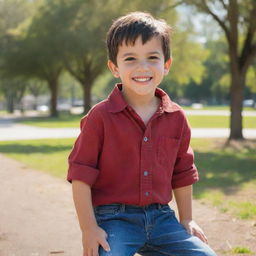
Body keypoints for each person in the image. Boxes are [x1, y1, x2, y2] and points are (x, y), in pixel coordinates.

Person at [67, 11, 216, 256]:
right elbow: (80, 175)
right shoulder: (100, 117)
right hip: (115, 219)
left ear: (166, 65)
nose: (142, 67)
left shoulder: (176, 117)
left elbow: (182, 172)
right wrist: (89, 229)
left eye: (152, 57)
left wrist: (187, 219)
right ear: (114, 67)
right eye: (130, 59)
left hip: (162, 219)